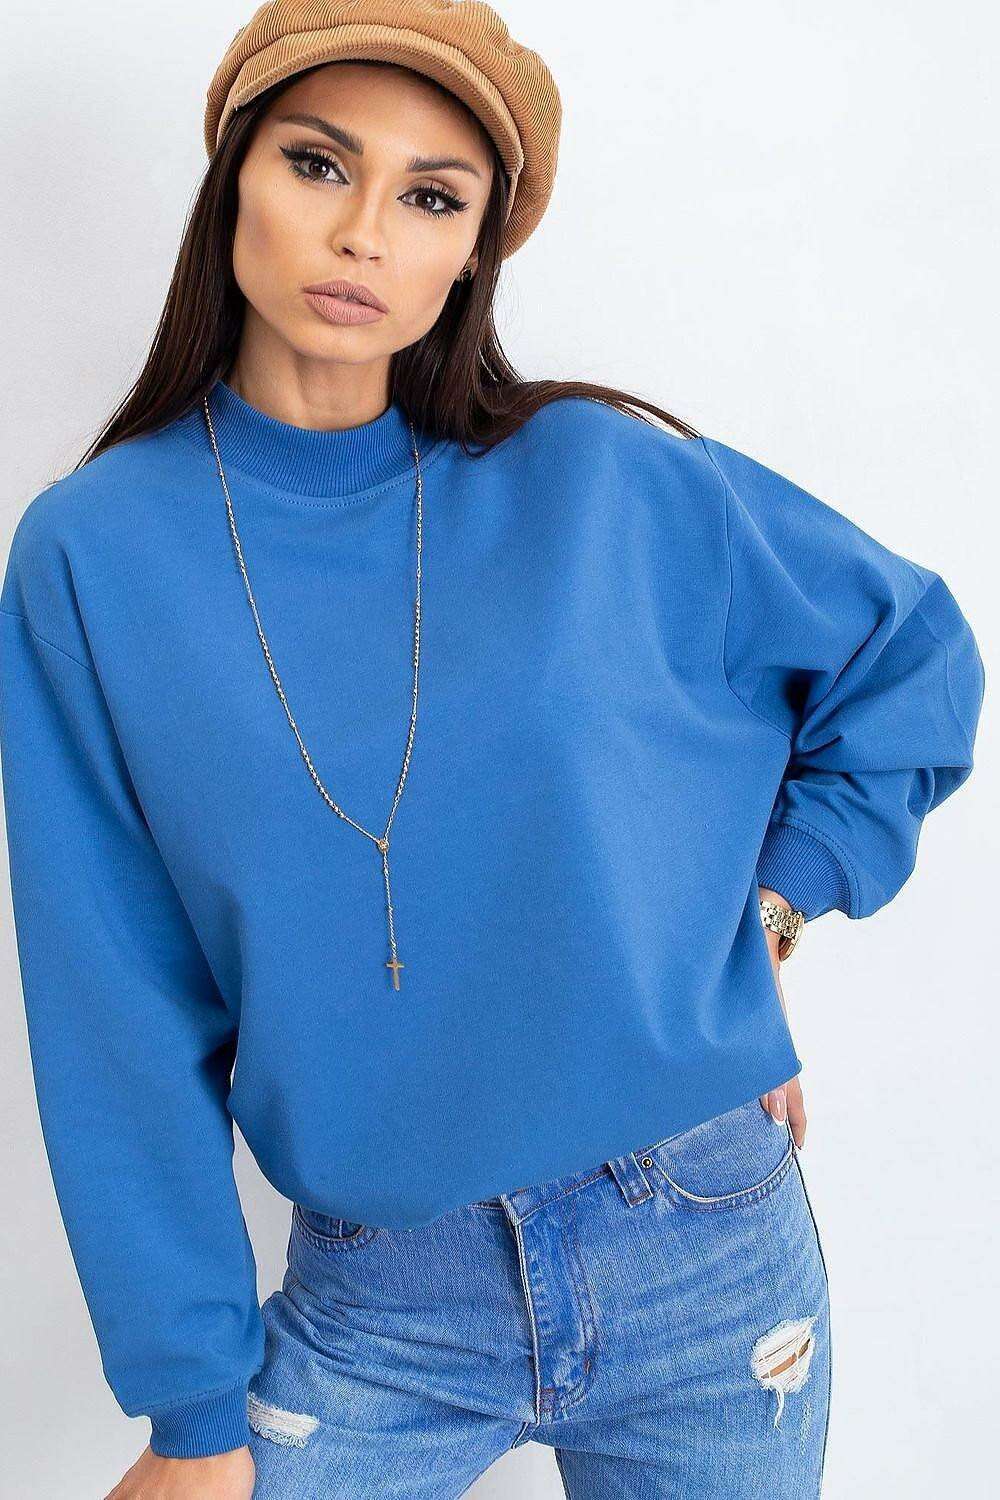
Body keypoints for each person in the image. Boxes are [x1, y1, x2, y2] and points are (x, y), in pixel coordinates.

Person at [0, 3, 985, 1497]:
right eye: (319, 164)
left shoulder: (596, 478)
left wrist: (774, 915)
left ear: (473, 251)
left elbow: (908, 661)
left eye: (431, 196)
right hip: (377, 1305)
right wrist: (192, 1408)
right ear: (235, 175)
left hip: (703, 1235)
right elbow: (114, 1005)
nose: (364, 234)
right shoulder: (94, 554)